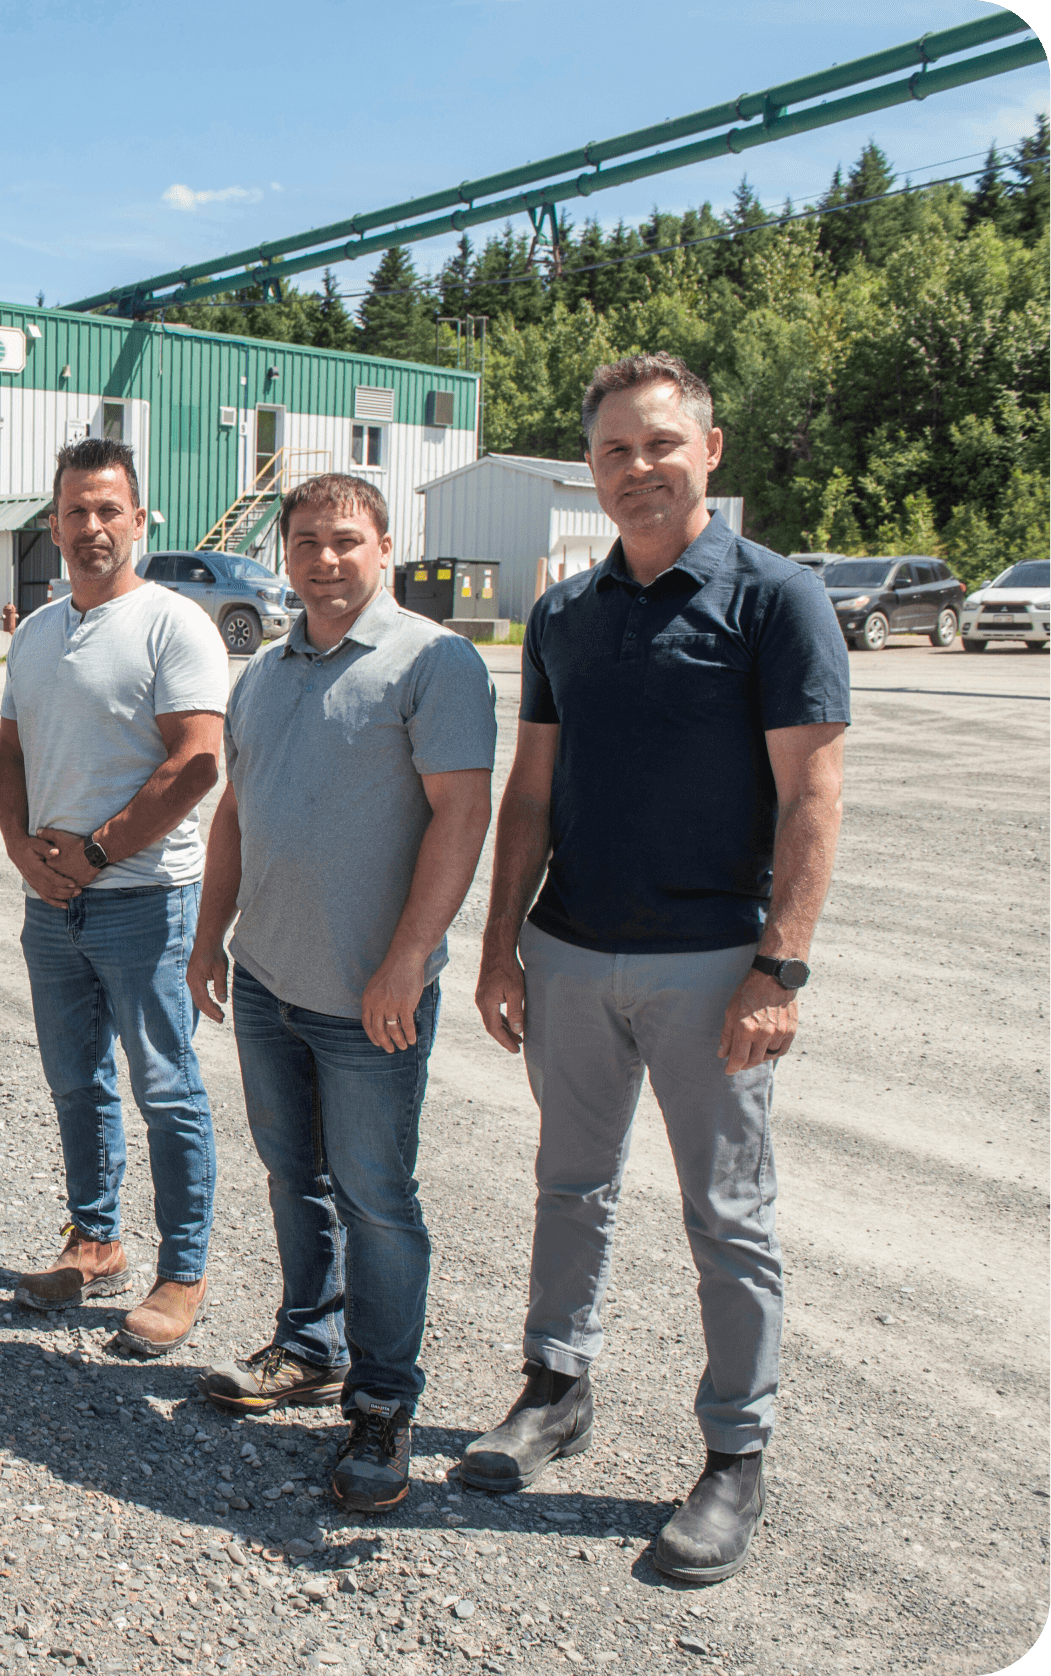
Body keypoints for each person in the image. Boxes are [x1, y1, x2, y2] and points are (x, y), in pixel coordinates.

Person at [464, 352, 848, 1583]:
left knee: (726, 1215)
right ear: (591, 470)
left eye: (660, 444)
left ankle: (735, 1454)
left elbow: (812, 793)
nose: (639, 468)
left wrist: (778, 968)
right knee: (569, 1184)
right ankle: (553, 1388)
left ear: (710, 452)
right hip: (569, 954)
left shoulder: (775, 599)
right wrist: (499, 946)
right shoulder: (566, 615)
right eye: (616, 451)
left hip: (710, 966)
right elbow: (529, 791)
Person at [187, 472, 496, 1514]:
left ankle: (381, 1402)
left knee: (377, 1197)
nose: (324, 558)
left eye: (346, 539)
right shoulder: (264, 673)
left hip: (374, 998)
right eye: (307, 539)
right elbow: (235, 813)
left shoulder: (432, 661)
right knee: (291, 1175)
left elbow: (460, 816)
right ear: (285, 548)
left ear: (385, 545)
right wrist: (207, 936)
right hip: (271, 983)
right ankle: (306, 1346)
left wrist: (408, 958)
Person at [0, 436, 227, 1357]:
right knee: (75, 1081)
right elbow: (10, 753)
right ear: (52, 526)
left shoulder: (175, 624)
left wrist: (94, 852)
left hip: (144, 900)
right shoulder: (39, 631)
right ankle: (94, 1240)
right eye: (75, 512)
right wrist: (21, 849)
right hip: (51, 905)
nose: (92, 527)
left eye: (108, 510)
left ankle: (183, 1270)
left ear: (138, 518)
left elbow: (198, 760)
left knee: (165, 1085)